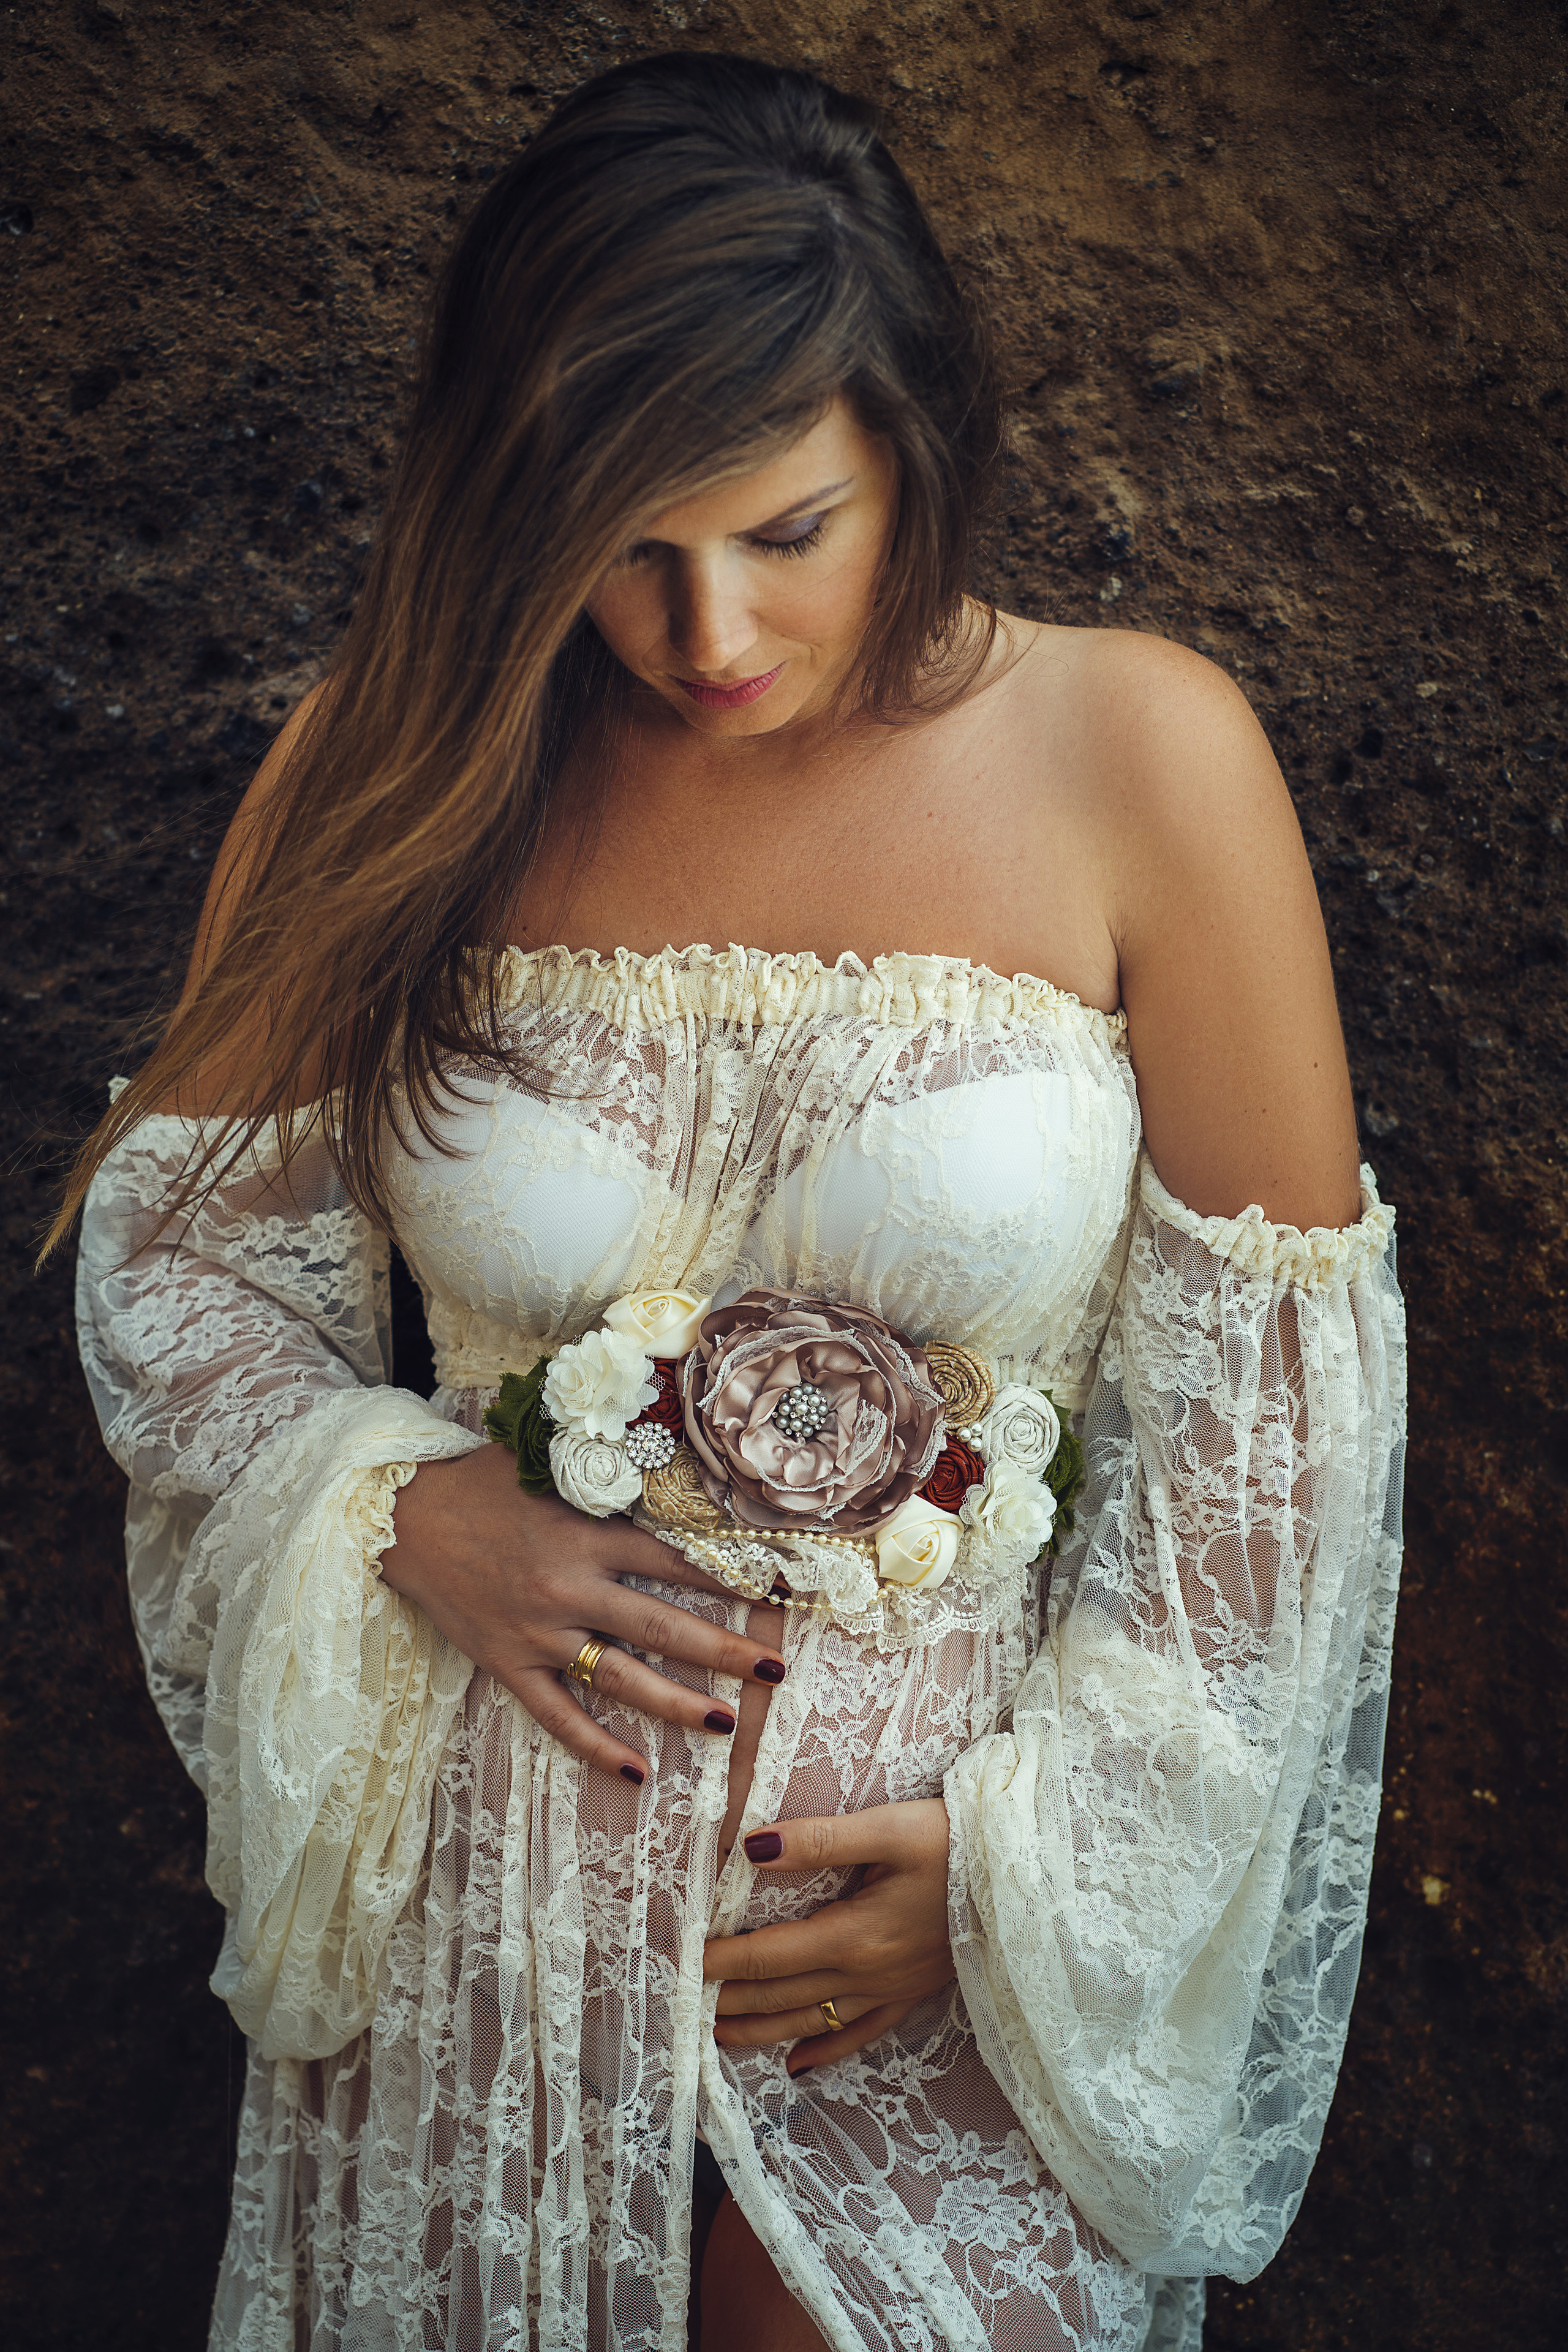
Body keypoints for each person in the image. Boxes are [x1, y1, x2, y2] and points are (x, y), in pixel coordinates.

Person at [59, 51, 1406, 2352]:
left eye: (788, 530)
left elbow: (1267, 1461)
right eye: (626, 546)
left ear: (917, 444)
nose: (705, 632)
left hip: (936, 1957)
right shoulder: (397, 767)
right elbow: (182, 1266)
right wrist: (398, 1502)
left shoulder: (1141, 756)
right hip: (480, 1930)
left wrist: (1024, 1889)